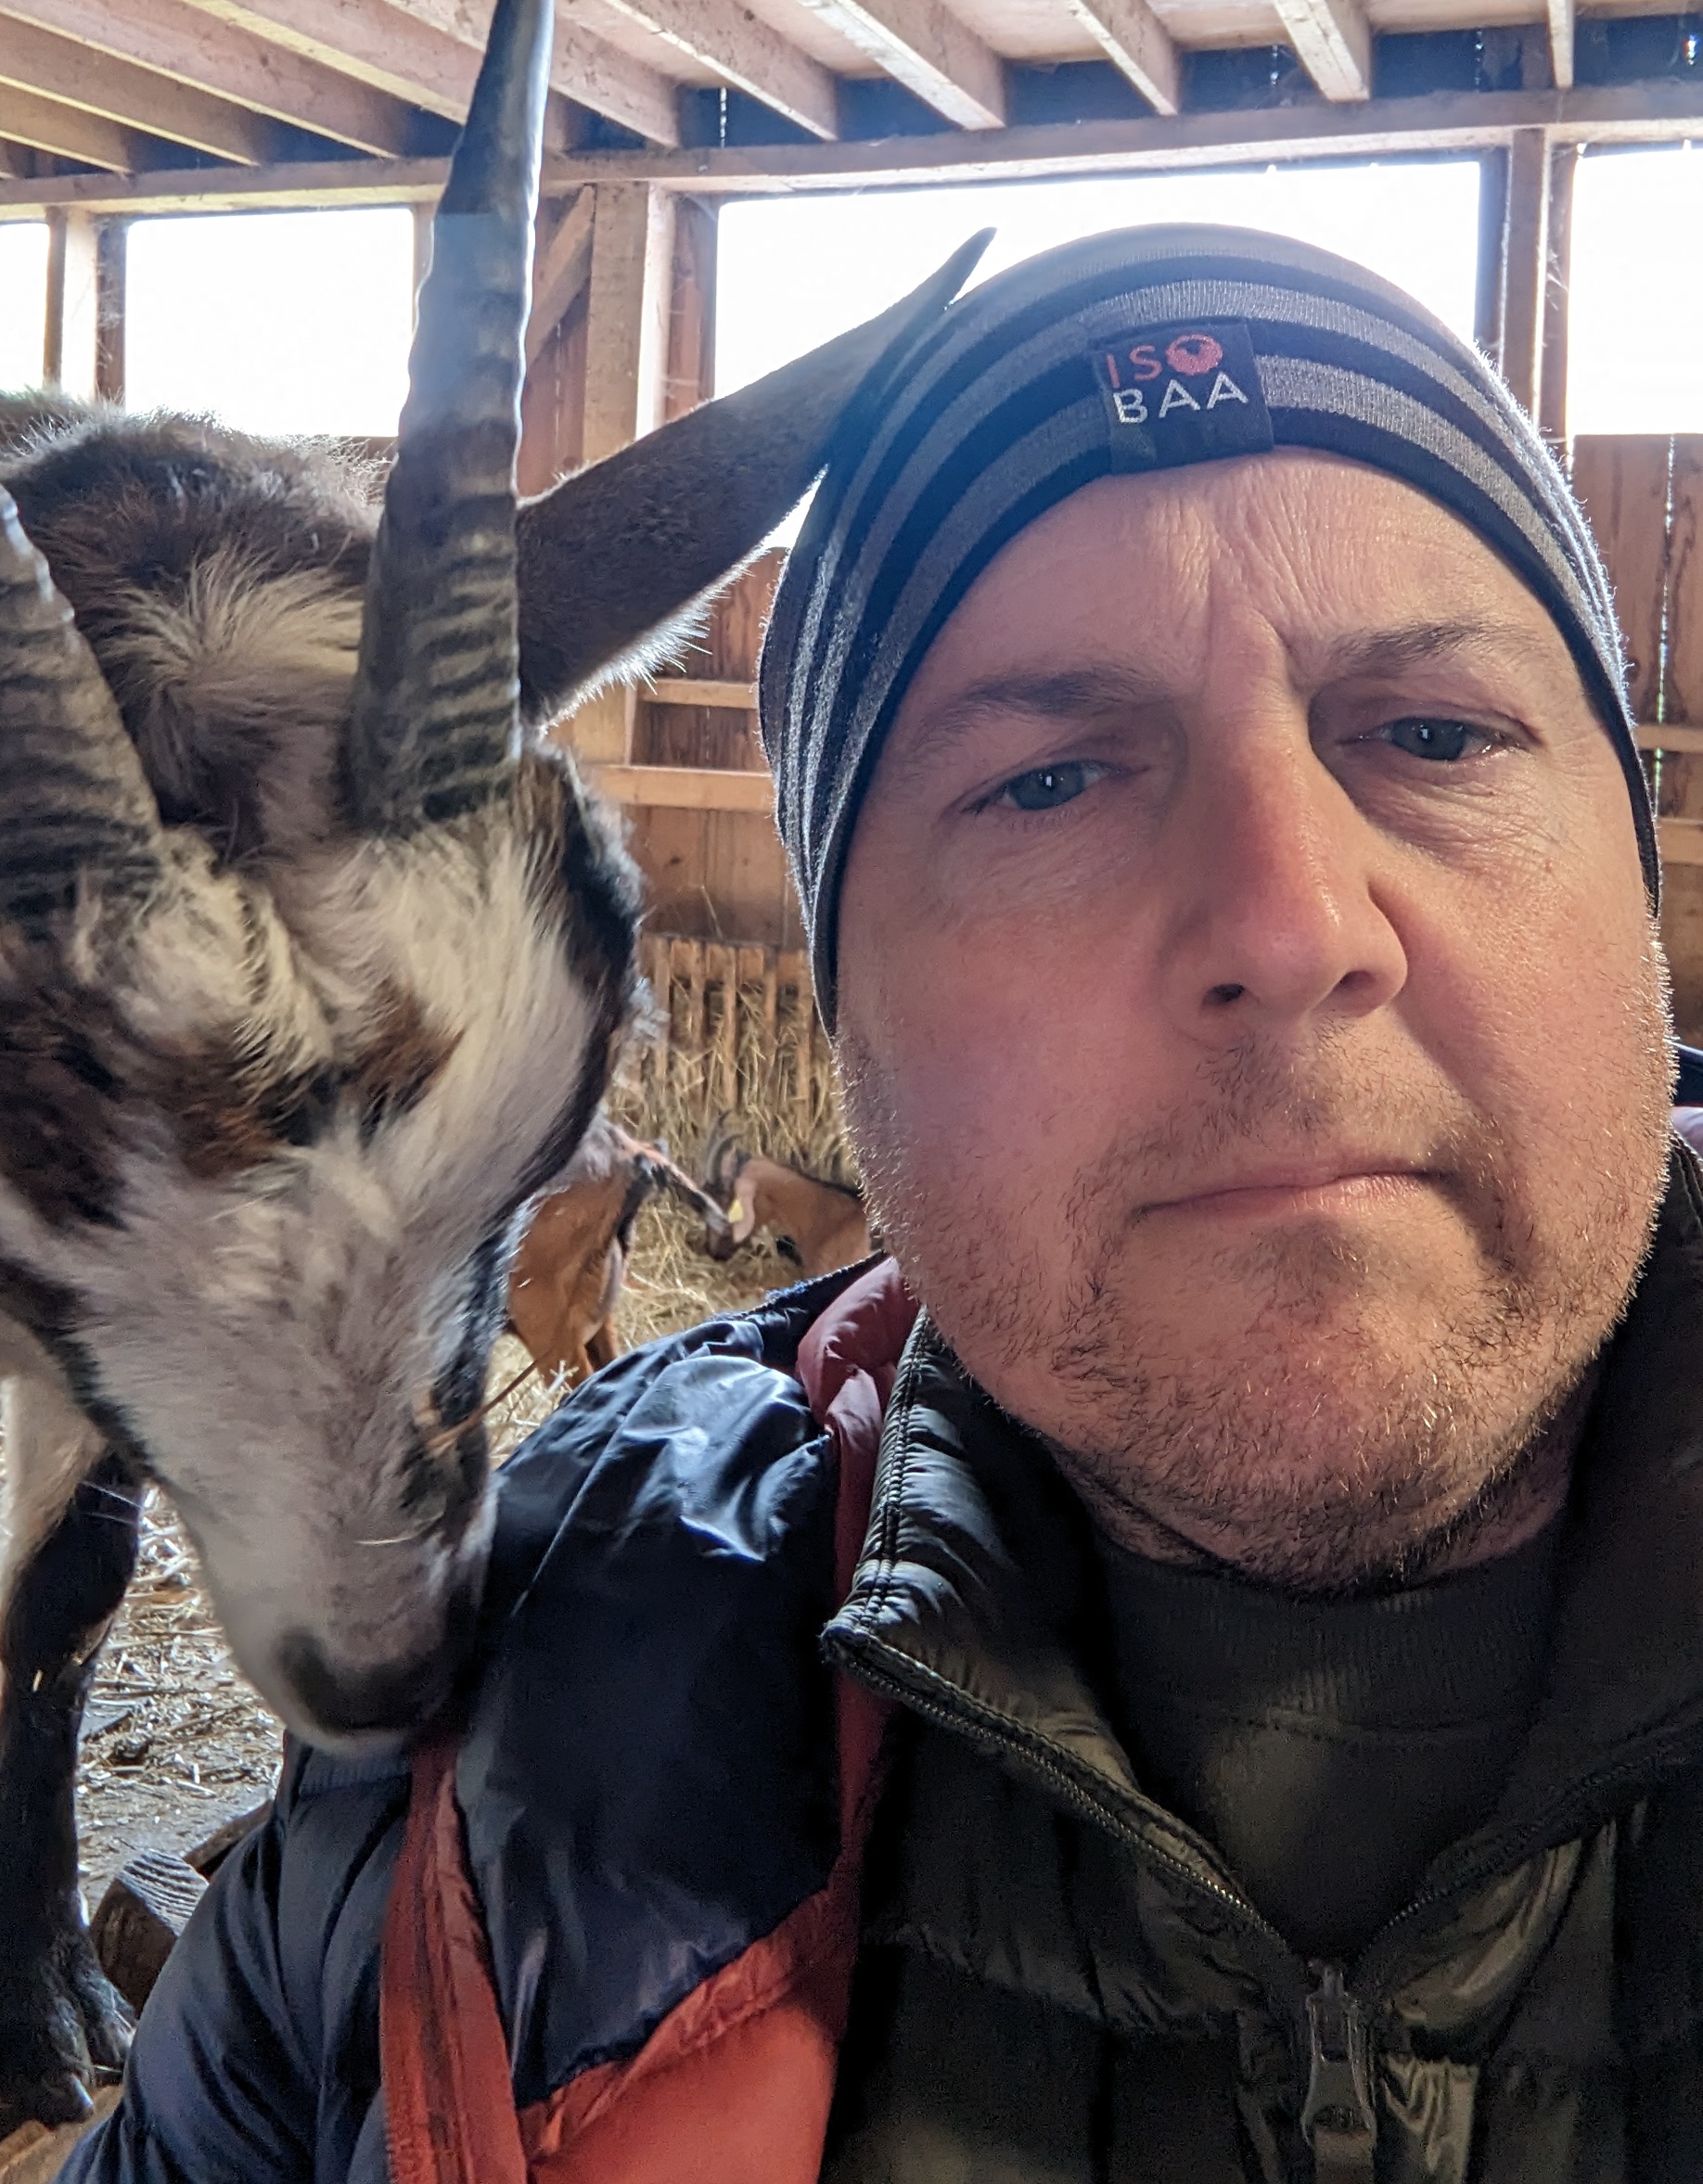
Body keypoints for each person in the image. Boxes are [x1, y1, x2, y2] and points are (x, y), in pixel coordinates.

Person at [70, 227, 1701, 2184]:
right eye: (1052, 782)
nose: (1289, 925)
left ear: (1640, 895)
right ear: (848, 1013)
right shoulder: (459, 1811)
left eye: (1433, 735)